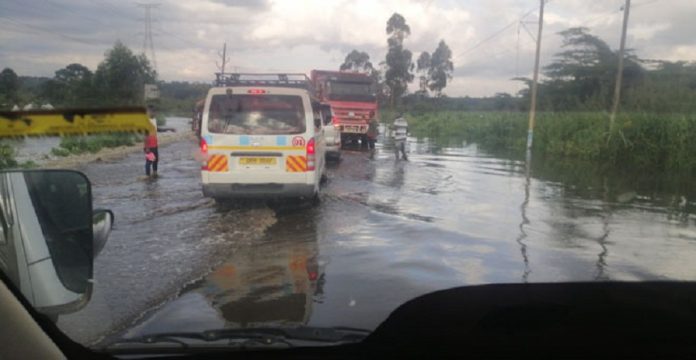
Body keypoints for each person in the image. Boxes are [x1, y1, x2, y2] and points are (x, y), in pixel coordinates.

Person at [144, 109, 159, 177]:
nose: (153, 113)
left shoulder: (154, 120)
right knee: (149, 161)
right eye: (151, 112)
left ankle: (155, 174)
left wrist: (169, 129)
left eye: (154, 111)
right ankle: (147, 176)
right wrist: (147, 147)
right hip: (149, 145)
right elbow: (146, 135)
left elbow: (157, 129)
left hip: (155, 144)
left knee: (155, 160)